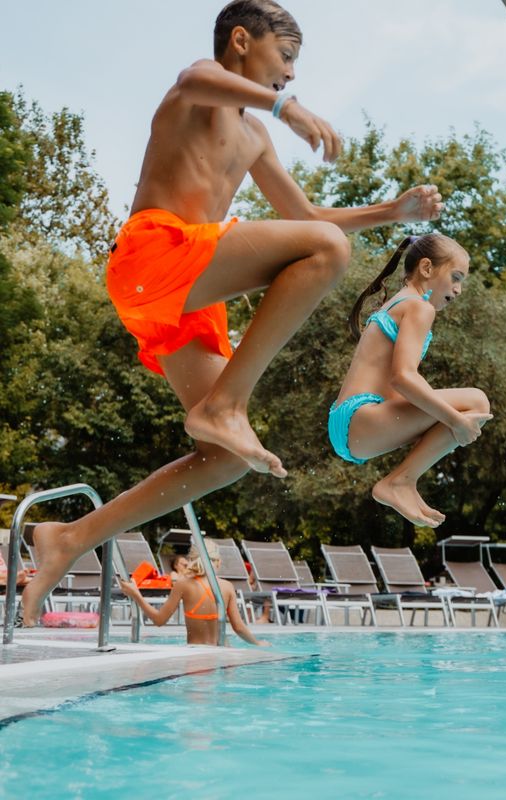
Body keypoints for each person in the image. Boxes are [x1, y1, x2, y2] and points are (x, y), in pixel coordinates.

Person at [18, 0, 442, 627]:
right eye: (286, 58)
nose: (291, 76)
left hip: (185, 301)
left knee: (228, 459)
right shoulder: (196, 91)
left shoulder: (253, 134)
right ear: (241, 41)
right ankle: (224, 407)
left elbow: (308, 217)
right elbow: (196, 78)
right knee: (327, 253)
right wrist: (287, 108)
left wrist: (391, 212)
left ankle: (70, 538)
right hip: (152, 256)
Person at [328, 233, 492, 528]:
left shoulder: (398, 302)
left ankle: (403, 482)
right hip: (361, 418)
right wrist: (455, 421)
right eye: (455, 277)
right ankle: (401, 481)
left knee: (451, 410)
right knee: (476, 402)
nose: (458, 289)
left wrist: (443, 420)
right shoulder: (420, 307)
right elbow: (403, 378)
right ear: (427, 268)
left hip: (349, 420)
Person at [120, 538, 269, 646]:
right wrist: (258, 643)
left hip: (196, 654)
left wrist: (136, 595)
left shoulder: (183, 584)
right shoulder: (227, 586)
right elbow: (239, 627)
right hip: (224, 653)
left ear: (191, 559)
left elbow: (159, 620)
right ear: (218, 562)